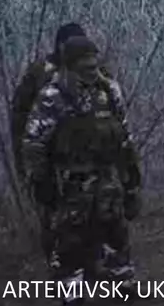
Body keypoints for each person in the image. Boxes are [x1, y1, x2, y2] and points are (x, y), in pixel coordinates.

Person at [21, 33, 144, 290]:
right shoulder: (53, 96)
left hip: (108, 176)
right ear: (70, 66)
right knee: (70, 238)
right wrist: (41, 181)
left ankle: (123, 281)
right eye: (85, 67)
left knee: (116, 229)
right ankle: (72, 295)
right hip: (71, 181)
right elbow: (34, 142)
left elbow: (123, 134)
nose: (91, 72)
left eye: (94, 65)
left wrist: (131, 174)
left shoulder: (109, 91)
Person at [12, 22, 87, 268]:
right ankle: (60, 270)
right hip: (49, 159)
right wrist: (28, 165)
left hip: (83, 160)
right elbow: (20, 119)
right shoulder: (40, 73)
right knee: (53, 217)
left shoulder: (87, 71)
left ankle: (92, 268)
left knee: (89, 216)